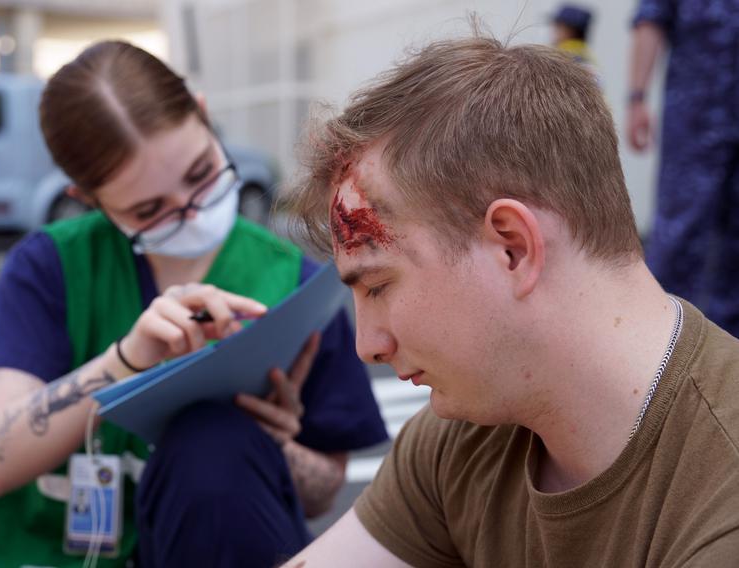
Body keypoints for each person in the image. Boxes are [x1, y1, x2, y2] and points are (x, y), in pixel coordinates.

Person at [280, 35, 739, 567]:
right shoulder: (466, 434)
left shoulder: (720, 498)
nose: (368, 345)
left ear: (512, 248)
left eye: (378, 286)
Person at [0, 40, 387, 568]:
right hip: (45, 554)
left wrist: (272, 445)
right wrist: (127, 360)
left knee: (214, 443)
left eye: (201, 174)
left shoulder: (290, 283)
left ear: (203, 116)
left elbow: (323, 489)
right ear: (88, 199)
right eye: (149, 210)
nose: (190, 213)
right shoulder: (52, 268)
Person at [628, 1, 739, 338]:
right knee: (677, 235)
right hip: (695, 121)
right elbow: (651, 17)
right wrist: (637, 97)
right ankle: (654, 343)